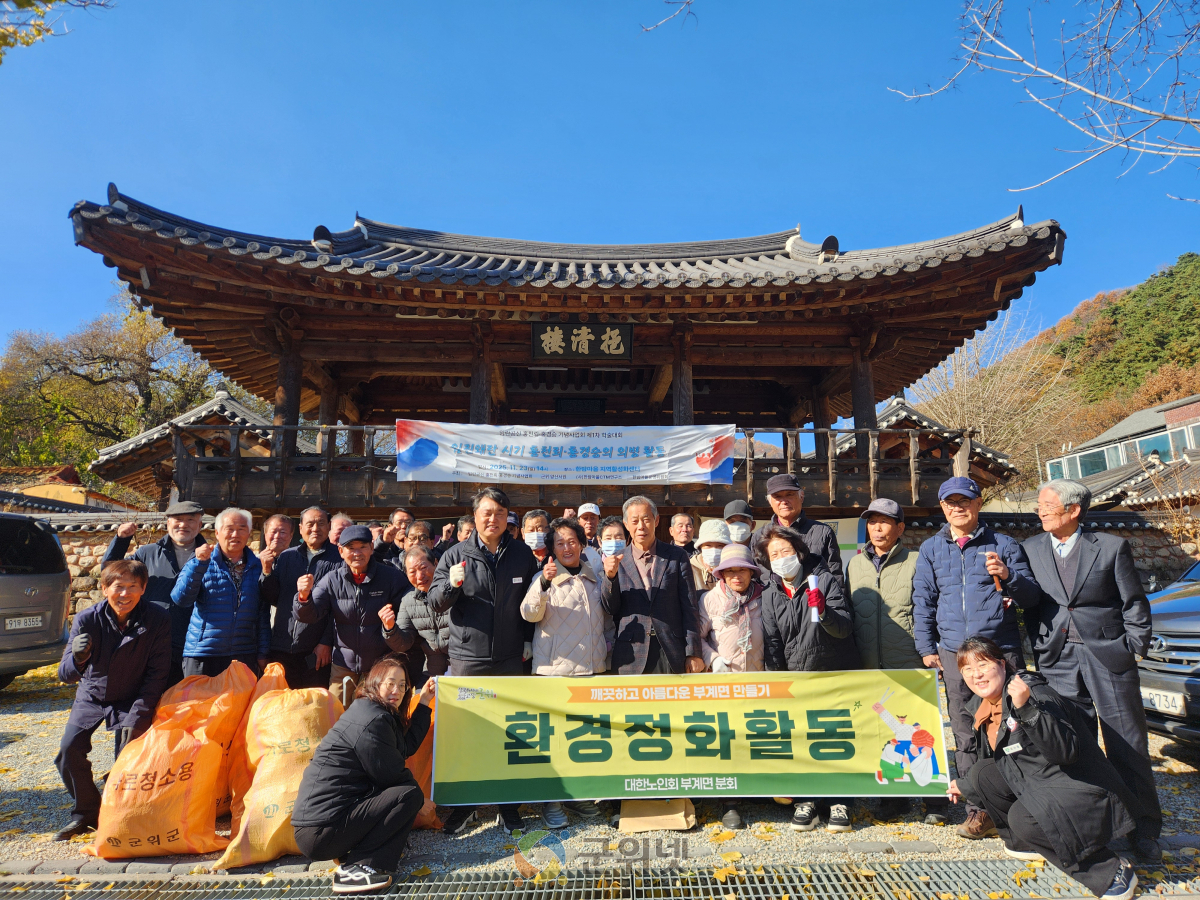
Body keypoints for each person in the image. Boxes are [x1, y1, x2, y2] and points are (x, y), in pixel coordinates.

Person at [1022, 479, 1161, 862]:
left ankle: (1145, 828)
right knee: (1073, 744)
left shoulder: (1111, 546)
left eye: (1047, 504)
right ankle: (1092, 828)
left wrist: (1134, 647)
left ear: (1073, 510)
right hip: (1056, 658)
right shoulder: (1031, 549)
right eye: (1039, 503)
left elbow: (1133, 602)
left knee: (1126, 743)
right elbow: (1030, 603)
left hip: (1108, 655)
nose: (1040, 509)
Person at [948, 636, 1140, 900]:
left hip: (1079, 785)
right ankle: (1028, 843)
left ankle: (1109, 870)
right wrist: (965, 785)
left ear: (1002, 665)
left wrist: (1027, 709)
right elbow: (1004, 763)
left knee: (1024, 818)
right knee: (982, 773)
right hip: (1041, 780)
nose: (976, 675)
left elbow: (1065, 752)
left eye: (982, 665)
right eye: (967, 669)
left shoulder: (1033, 692)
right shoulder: (983, 708)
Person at [912, 475, 1041, 840]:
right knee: (966, 732)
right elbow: (923, 601)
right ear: (942, 508)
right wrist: (926, 647)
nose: (958, 507)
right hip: (954, 655)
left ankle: (1022, 805)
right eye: (950, 502)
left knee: (1013, 727)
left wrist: (1008, 575)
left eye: (965, 500)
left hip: (999, 652)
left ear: (979, 503)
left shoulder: (1003, 544)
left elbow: (1031, 596)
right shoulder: (931, 549)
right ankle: (978, 810)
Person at [429, 487, 540, 835]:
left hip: (509, 657)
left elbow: (530, 602)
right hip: (468, 657)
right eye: (486, 512)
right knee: (469, 732)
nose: (493, 519)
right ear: (475, 516)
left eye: (500, 513)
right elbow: (435, 601)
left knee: (509, 732)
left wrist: (525, 640)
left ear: (509, 517)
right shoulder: (455, 554)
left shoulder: (522, 554)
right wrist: (452, 586)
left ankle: (509, 807)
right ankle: (467, 806)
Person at [293, 655, 435, 895]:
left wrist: (424, 703)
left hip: (320, 825)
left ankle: (359, 855)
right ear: (375, 683)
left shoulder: (371, 711)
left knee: (406, 793)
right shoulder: (373, 720)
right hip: (321, 830)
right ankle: (358, 868)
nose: (397, 690)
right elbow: (391, 776)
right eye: (390, 683)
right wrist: (421, 801)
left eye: (402, 685)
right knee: (409, 794)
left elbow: (403, 748)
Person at [54, 559, 171, 841]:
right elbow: (65, 674)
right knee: (68, 752)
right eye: (118, 587)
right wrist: (78, 658)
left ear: (143, 589)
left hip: (132, 697)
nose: (125, 594)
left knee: (127, 758)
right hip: (93, 694)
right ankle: (86, 813)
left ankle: (120, 814)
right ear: (105, 588)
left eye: (133, 587)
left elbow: (158, 673)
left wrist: (139, 714)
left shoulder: (157, 618)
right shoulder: (87, 619)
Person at [846, 498, 947, 825]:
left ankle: (935, 797)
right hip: (868, 663)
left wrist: (933, 649)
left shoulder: (918, 561)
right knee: (883, 733)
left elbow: (930, 609)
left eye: (885, 522)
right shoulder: (854, 564)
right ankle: (894, 798)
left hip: (909, 661)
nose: (877, 528)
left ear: (900, 528)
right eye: (872, 521)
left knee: (922, 731)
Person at [758, 524, 859, 833]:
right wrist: (778, 683)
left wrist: (825, 612)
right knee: (804, 738)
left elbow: (844, 628)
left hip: (831, 673)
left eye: (785, 551)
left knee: (834, 736)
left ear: (799, 553)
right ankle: (808, 800)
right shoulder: (771, 594)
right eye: (774, 554)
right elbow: (773, 643)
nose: (780, 558)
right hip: (795, 679)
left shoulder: (823, 581)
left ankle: (840, 801)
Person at [521, 517, 613, 828]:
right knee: (555, 741)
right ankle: (552, 801)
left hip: (592, 670)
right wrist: (543, 584)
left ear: (582, 544)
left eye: (571, 541)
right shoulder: (543, 578)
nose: (566, 547)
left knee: (585, 738)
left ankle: (581, 797)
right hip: (554, 673)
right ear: (552, 550)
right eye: (559, 543)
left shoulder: (595, 577)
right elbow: (529, 613)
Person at [295, 525, 409, 702]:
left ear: (372, 548)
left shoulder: (391, 577)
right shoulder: (332, 580)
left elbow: (407, 614)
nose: (357, 553)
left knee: (375, 715)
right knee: (336, 714)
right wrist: (303, 597)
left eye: (362, 546)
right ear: (340, 551)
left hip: (379, 667)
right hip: (343, 664)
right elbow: (310, 615)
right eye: (350, 548)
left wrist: (391, 625)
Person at [101, 500, 207, 687]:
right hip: (152, 638)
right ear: (168, 524)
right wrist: (121, 540)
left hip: (194, 642)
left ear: (200, 525)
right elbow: (110, 572)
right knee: (150, 696)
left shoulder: (212, 555)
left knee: (190, 699)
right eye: (178, 519)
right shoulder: (147, 554)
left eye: (190, 520)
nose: (183, 524)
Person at [698, 542, 766, 829]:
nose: (736, 576)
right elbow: (697, 639)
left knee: (756, 738)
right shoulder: (709, 600)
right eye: (730, 571)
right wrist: (713, 659)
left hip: (759, 681)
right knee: (727, 741)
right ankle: (730, 802)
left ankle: (759, 792)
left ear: (752, 573)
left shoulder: (765, 597)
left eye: (742, 570)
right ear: (721, 574)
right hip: (723, 684)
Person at [602, 496, 702, 676]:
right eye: (635, 521)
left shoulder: (676, 556)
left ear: (656, 521)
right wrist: (610, 578)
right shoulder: (618, 561)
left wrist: (693, 652)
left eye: (646, 519)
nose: (641, 526)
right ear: (626, 524)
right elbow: (611, 608)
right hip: (631, 653)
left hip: (670, 650)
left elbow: (690, 606)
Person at [171, 507, 270, 678]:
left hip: (243, 653)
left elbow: (262, 614)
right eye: (229, 529)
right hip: (203, 653)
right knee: (199, 704)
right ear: (217, 533)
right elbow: (181, 599)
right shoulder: (200, 561)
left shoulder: (258, 567)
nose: (235, 534)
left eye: (241, 529)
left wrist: (262, 653)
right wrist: (199, 564)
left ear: (249, 533)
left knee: (239, 705)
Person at [261, 506, 338, 689]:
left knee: (311, 706)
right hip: (282, 644)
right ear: (301, 528)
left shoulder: (339, 559)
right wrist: (266, 572)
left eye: (321, 523)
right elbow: (273, 598)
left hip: (315, 650)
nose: (315, 529)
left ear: (329, 527)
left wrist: (325, 642)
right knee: (280, 704)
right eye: (310, 524)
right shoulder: (288, 556)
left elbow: (339, 607)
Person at [752, 473, 844, 586]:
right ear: (770, 502)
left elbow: (835, 577)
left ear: (801, 496)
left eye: (789, 494)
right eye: (777, 496)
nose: (784, 501)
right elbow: (757, 579)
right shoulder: (759, 536)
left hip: (814, 601)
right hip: (774, 602)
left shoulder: (822, 532)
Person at [381, 546, 450, 681]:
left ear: (436, 563)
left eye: (424, 568)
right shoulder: (408, 600)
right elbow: (403, 644)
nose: (419, 576)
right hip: (432, 670)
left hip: (464, 665)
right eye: (412, 572)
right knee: (420, 701)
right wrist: (389, 628)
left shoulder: (454, 589)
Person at [690, 519, 731, 595]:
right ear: (700, 547)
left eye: (720, 546)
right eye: (708, 545)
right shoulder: (689, 569)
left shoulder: (733, 569)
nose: (714, 550)